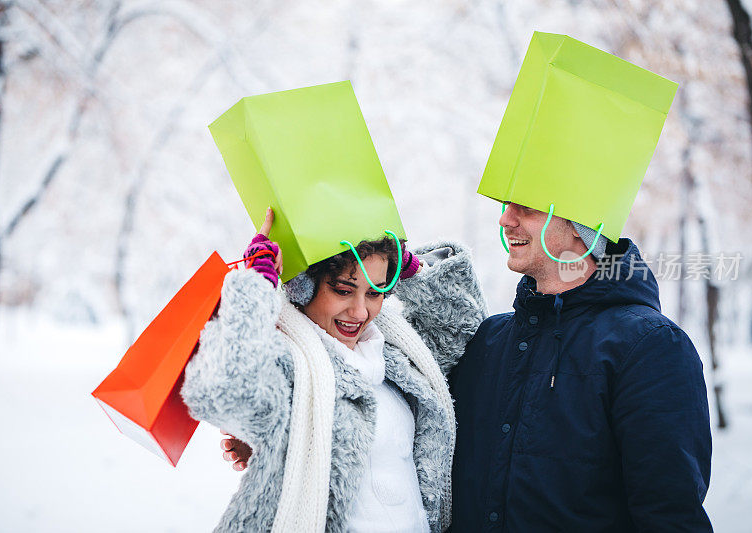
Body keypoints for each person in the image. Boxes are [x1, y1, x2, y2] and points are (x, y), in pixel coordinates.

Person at [181, 209, 487, 532]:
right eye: (343, 290)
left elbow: (462, 327)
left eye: (375, 292)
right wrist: (257, 286)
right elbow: (221, 391)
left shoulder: (396, 355)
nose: (359, 311)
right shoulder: (288, 367)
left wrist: (412, 270)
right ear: (303, 286)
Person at [447, 202, 713, 531]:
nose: (505, 220)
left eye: (527, 208)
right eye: (506, 206)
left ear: (580, 224)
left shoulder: (650, 346)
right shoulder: (487, 339)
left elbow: (669, 514)